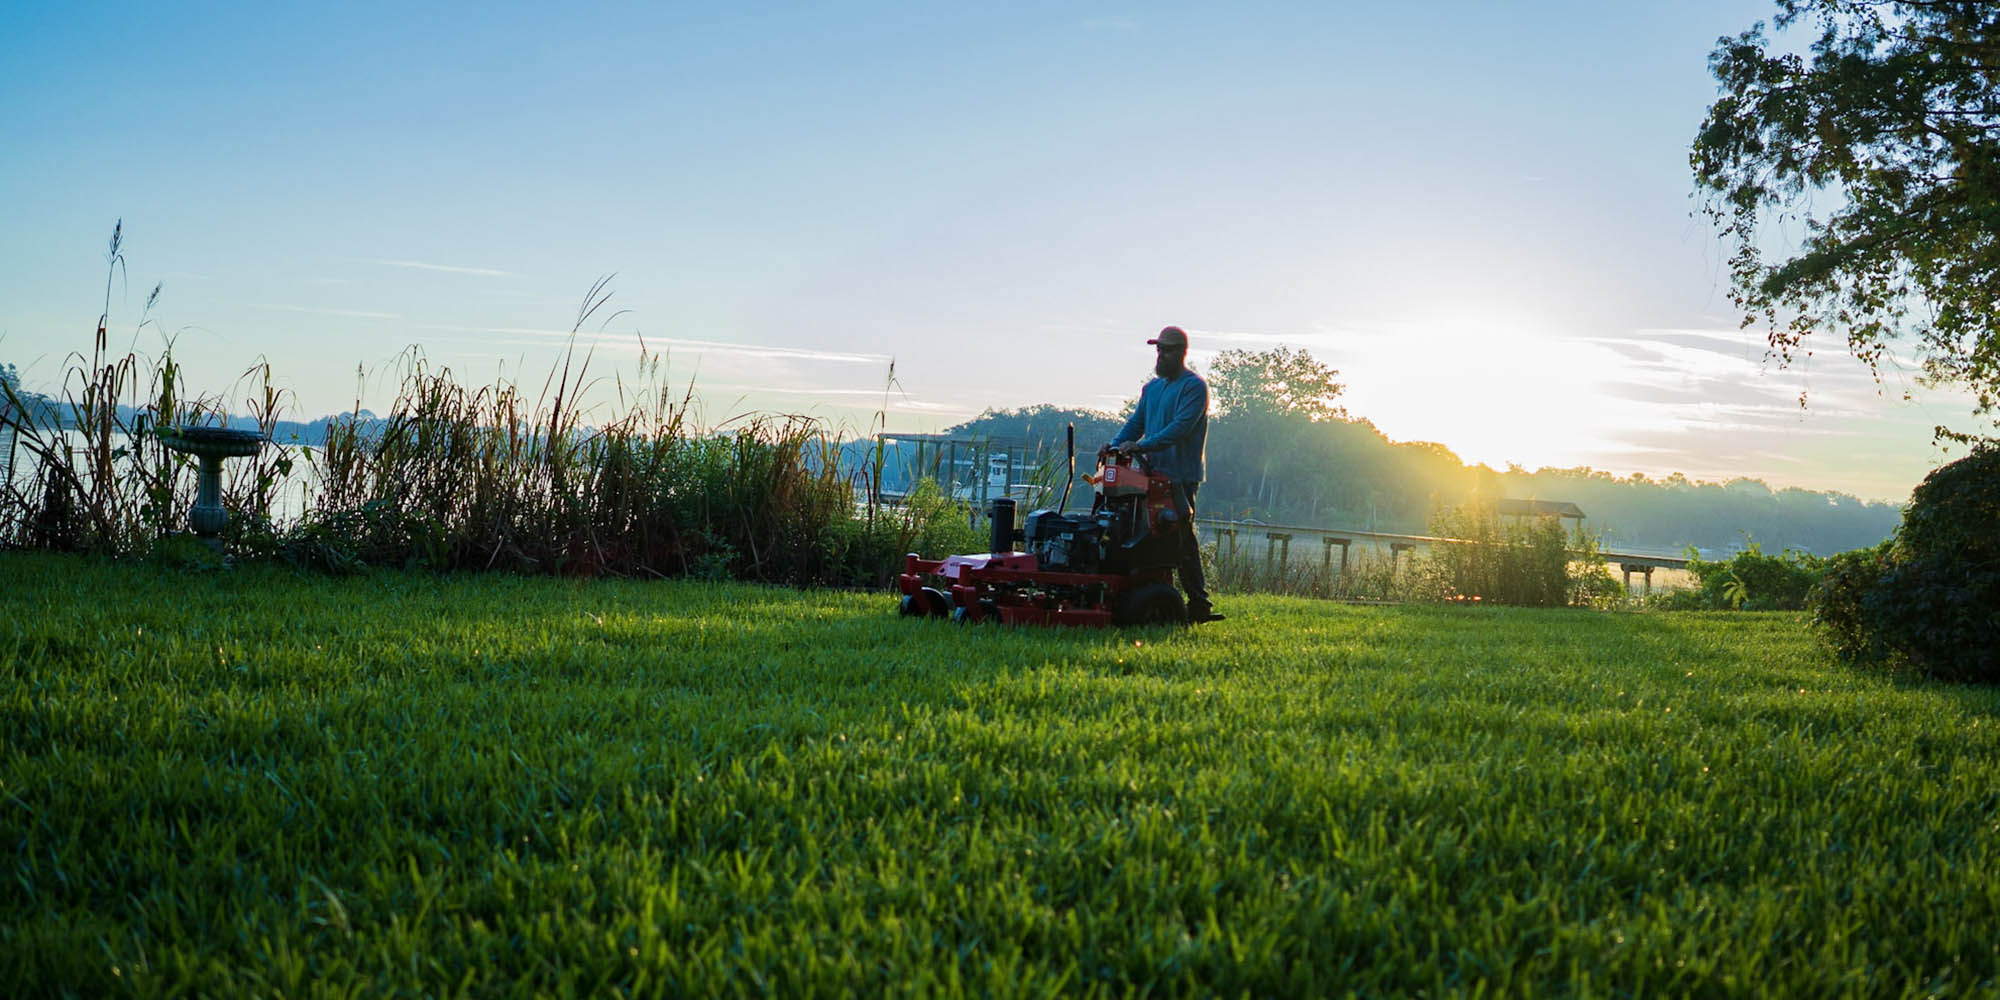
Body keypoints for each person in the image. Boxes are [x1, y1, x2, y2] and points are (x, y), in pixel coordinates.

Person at [1100, 325, 1223, 623]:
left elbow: (1180, 428)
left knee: (1180, 538)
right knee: (1136, 532)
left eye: (1167, 350)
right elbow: (1135, 423)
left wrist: (1141, 446)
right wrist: (1115, 446)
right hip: (1147, 476)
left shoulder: (1193, 387)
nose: (1161, 355)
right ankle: (1138, 587)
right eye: (1158, 349)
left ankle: (1198, 604)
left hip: (1179, 476)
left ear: (1181, 353)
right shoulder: (1152, 389)